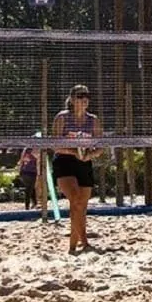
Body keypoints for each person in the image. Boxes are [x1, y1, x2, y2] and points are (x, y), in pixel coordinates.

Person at [51, 85, 103, 253]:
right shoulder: (63, 118)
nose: (84, 99)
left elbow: (100, 146)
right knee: (75, 199)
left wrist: (89, 156)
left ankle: (73, 246)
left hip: (84, 162)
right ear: (72, 99)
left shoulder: (93, 120)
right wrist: (74, 151)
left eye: (87, 95)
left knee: (81, 206)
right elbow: (55, 145)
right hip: (65, 160)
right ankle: (85, 243)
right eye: (80, 96)